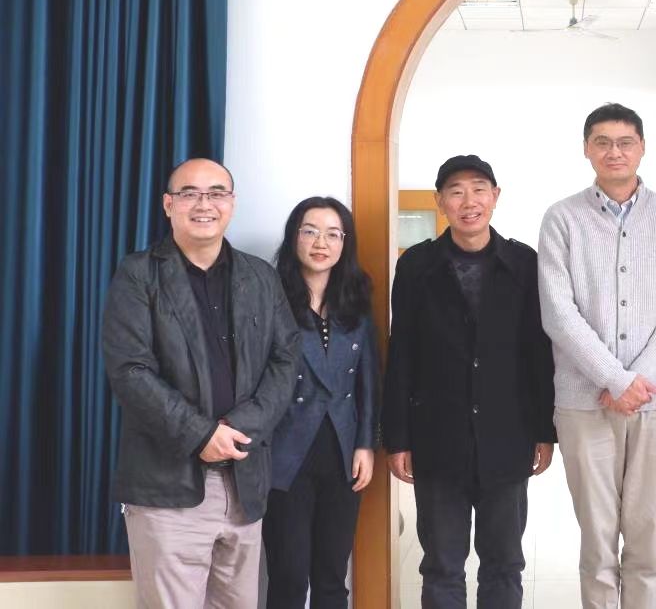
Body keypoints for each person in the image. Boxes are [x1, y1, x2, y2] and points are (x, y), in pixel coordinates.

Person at [101, 158, 299, 609]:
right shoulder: (138, 274)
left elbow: (285, 359)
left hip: (245, 482)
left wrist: (241, 427)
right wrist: (201, 435)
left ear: (232, 203)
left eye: (216, 193)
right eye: (189, 193)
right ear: (168, 205)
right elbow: (130, 370)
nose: (204, 204)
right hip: (167, 485)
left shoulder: (260, 276)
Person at [538, 102, 656, 609]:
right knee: (597, 537)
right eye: (602, 142)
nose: (615, 152)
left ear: (642, 148)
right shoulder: (562, 218)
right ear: (587, 149)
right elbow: (557, 311)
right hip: (584, 403)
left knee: (647, 534)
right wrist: (613, 378)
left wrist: (637, 382)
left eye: (625, 142)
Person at [383, 154, 555, 609]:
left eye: (479, 189)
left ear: (495, 197)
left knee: (504, 563)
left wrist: (544, 430)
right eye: (456, 192)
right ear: (440, 202)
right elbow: (402, 353)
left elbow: (538, 353)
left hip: (507, 437)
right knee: (442, 566)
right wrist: (397, 438)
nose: (468, 201)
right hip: (438, 439)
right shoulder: (416, 266)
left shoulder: (523, 263)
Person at [262, 197, 380, 608]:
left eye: (333, 234)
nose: (321, 243)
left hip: (342, 451)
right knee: (289, 577)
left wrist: (366, 443)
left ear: (345, 243)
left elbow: (368, 379)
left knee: (332, 577)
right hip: (285, 451)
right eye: (310, 231)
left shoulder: (355, 300)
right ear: (294, 237)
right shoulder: (270, 296)